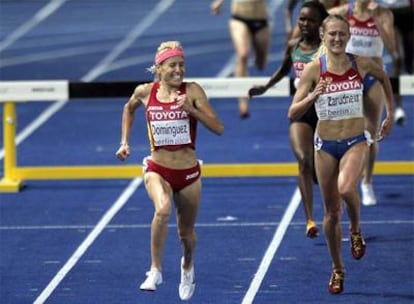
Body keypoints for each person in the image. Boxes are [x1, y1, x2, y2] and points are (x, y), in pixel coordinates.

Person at [288, 14, 393, 294]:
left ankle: (356, 229)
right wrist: (313, 96)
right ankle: (337, 269)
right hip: (325, 146)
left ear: (348, 37)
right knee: (331, 213)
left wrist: (390, 115)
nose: (336, 39)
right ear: (323, 36)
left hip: (355, 140)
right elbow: (292, 111)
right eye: (331, 34)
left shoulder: (360, 63)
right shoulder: (313, 70)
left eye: (341, 34)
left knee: (346, 188)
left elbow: (383, 76)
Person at [115, 41, 224, 301]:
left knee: (186, 233)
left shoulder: (193, 91)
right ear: (159, 68)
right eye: (173, 65)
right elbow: (128, 109)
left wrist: (191, 109)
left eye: (182, 65)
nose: (179, 70)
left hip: (187, 174)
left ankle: (187, 267)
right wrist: (124, 142)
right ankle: (155, 270)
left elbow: (218, 127)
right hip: (157, 169)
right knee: (162, 209)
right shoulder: (144, 91)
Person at [249, 1, 329, 238]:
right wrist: (265, 87)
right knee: (303, 160)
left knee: (321, 171)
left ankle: (332, 208)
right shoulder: (294, 46)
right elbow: (284, 69)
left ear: (320, 23)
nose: (304, 24)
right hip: (302, 111)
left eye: (310, 20)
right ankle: (310, 220)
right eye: (301, 19)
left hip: (327, 113)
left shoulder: (328, 48)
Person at [329, 0, 397, 206]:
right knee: (347, 131)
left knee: (370, 133)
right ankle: (346, 176)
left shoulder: (384, 13)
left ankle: (367, 182)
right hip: (349, 78)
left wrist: (375, 19)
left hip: (374, 76)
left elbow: (392, 48)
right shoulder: (344, 12)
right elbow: (319, 17)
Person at [210, 0, 271, 118]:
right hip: (239, 18)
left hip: (260, 20)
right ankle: (243, 101)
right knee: (242, 55)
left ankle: (257, 56)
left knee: (261, 64)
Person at [377, 0, 413, 124]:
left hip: (408, 10)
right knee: (397, 59)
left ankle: (408, 82)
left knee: (409, 64)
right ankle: (397, 107)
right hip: (388, 12)